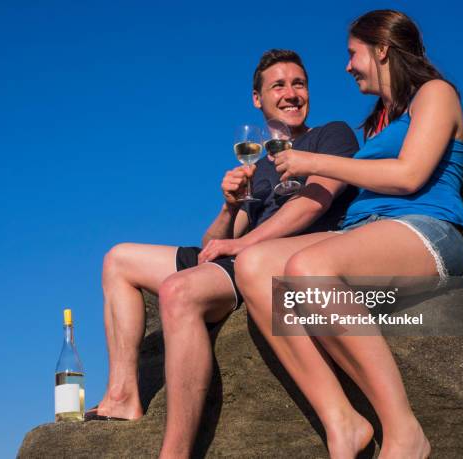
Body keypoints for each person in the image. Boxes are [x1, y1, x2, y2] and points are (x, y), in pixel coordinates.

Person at [85, 49, 359, 457]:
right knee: (118, 258)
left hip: (277, 258)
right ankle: (123, 395)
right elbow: (217, 241)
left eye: (298, 83)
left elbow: (312, 204)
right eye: (278, 85)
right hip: (239, 255)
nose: (290, 93)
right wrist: (230, 206)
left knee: (179, 291)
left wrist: (243, 244)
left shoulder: (332, 135)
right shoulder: (261, 165)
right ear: (257, 98)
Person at [235, 10, 463, 459]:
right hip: (366, 234)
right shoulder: (377, 120)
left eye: (352, 53)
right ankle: (341, 420)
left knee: (306, 268)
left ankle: (404, 433)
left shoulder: (435, 94)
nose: (346, 66)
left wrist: (313, 163)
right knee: (255, 264)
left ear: (381, 49)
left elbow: (408, 176)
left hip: (426, 232)